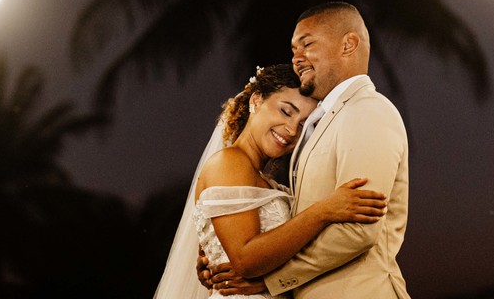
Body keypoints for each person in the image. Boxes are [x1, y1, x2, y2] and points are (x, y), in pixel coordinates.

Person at [208, 1, 412, 298]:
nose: (297, 59)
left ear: (348, 44)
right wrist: (219, 254)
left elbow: (358, 230)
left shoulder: (367, 111)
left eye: (307, 45)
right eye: (294, 51)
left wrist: (271, 280)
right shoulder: (324, 120)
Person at [153, 63, 388, 299]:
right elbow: (246, 259)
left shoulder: (260, 178)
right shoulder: (230, 162)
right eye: (286, 112)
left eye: (303, 124)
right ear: (256, 100)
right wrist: (324, 211)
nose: (291, 130)